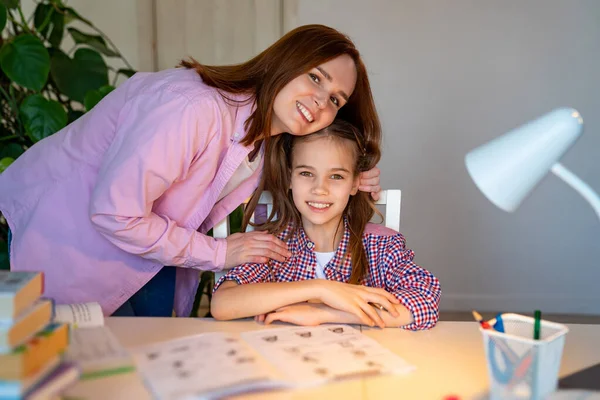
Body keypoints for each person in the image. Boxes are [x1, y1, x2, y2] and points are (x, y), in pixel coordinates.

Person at [0, 25, 383, 317]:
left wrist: (351, 174)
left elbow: (315, 169)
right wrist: (218, 253)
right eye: (315, 77)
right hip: (51, 236)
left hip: (146, 255)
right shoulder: (192, 108)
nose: (320, 101)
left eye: (335, 99)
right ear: (284, 62)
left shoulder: (267, 139)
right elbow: (115, 213)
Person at [211, 120, 441, 330]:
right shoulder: (273, 246)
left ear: (354, 184)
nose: (319, 189)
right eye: (306, 173)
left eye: (336, 176)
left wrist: (323, 312)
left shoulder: (381, 246)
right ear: (290, 178)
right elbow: (222, 304)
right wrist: (320, 288)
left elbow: (424, 302)